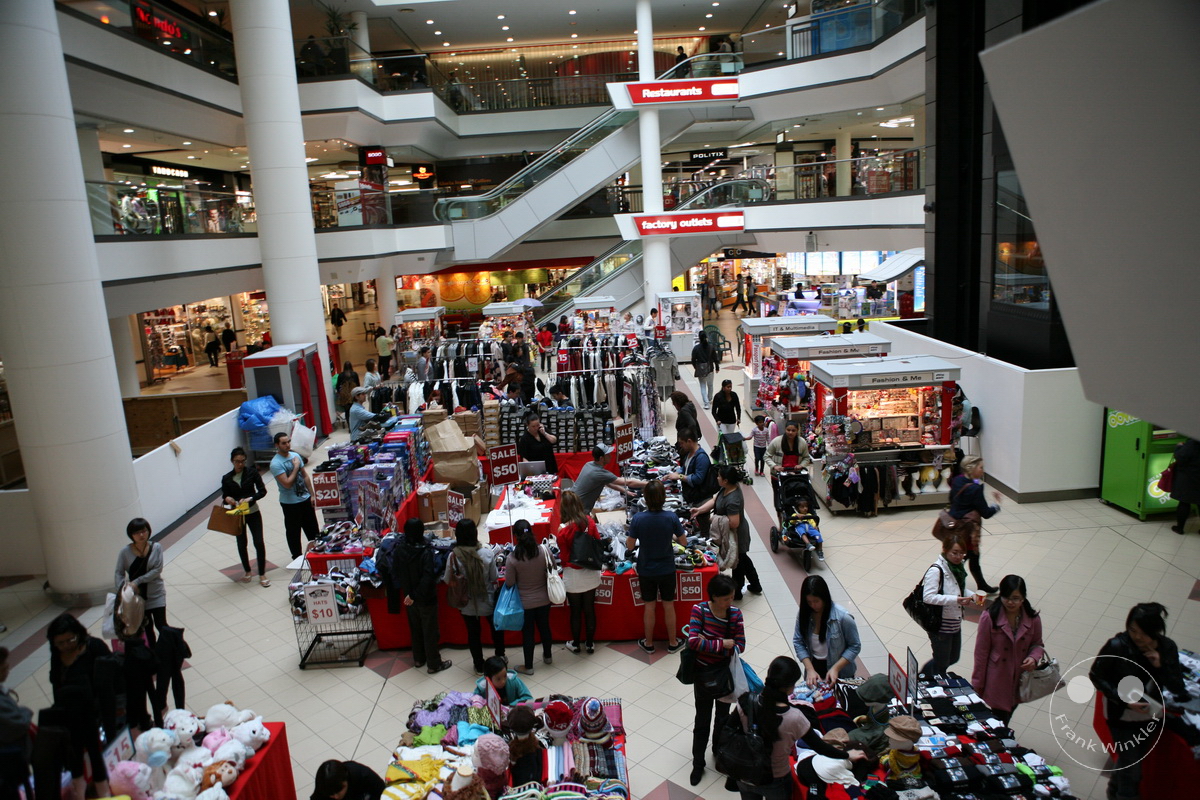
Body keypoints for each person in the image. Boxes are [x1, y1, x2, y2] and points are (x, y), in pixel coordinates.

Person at [1090, 603, 1188, 800]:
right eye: (1133, 630)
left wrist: (1160, 665)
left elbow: (1177, 687)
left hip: (1150, 714)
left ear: (1155, 631)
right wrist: (1123, 700)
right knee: (1133, 771)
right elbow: (1096, 675)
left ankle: (1113, 790)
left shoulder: (1167, 648)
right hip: (1121, 716)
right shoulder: (1117, 646)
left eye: (1143, 633)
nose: (1137, 637)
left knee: (1130, 761)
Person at [735, 655, 865, 800]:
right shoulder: (794, 717)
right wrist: (847, 755)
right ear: (790, 687)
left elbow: (730, 730)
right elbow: (820, 747)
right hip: (775, 778)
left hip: (745, 773)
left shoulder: (745, 701)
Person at [686, 573, 744, 786]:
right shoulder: (699, 610)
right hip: (703, 675)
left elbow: (740, 645)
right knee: (702, 720)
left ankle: (718, 751)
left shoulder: (735, 615)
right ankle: (698, 762)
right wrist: (722, 644)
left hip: (724, 676)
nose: (731, 602)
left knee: (722, 718)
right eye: (726, 598)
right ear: (714, 597)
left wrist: (708, 642)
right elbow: (692, 642)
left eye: (732, 597)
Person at [46, 613, 112, 800]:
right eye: (60, 642)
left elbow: (110, 679)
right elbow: (56, 685)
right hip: (68, 714)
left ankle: (103, 792)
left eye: (70, 640)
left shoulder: (94, 647)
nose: (66, 645)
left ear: (79, 634)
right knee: (73, 756)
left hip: (92, 712)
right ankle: (79, 793)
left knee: (95, 754)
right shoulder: (56, 655)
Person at [971, 575, 1044, 725]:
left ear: (1023, 598)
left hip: (1019, 679)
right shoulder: (990, 617)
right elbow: (981, 653)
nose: (1010, 602)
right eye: (1006, 597)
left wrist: (1034, 657)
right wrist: (977, 684)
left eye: (1015, 598)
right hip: (997, 677)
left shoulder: (1032, 618)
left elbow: (1037, 644)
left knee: (1008, 712)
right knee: (1000, 716)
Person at [625, 479, 687, 654]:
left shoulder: (638, 518)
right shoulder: (671, 517)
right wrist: (670, 536)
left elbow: (630, 546)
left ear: (645, 497)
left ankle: (649, 643)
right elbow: (683, 541)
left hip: (646, 569)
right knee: (669, 605)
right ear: (664, 497)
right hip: (667, 567)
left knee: (649, 606)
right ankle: (673, 642)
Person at [444, 519, 505, 675]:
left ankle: (478, 665)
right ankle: (500, 656)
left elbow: (447, 579)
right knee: (496, 630)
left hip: (466, 604)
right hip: (488, 600)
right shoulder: (486, 553)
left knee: (473, 634)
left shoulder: (453, 556)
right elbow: (494, 576)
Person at [692, 465, 761, 601]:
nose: (717, 478)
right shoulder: (726, 488)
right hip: (731, 534)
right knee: (742, 559)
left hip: (737, 535)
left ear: (725, 480)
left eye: (719, 476)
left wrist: (715, 519)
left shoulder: (733, 499)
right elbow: (714, 500)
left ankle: (737, 592)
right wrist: (699, 510)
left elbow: (734, 522)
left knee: (738, 562)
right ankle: (755, 585)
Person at [396, 517, 452, 674]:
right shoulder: (425, 551)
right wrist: (415, 594)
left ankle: (419, 658)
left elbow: (398, 572)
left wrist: (409, 594)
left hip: (409, 598)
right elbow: (428, 576)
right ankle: (434, 664)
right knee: (430, 631)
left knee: (415, 629)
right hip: (425, 597)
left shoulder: (400, 549)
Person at [792, 575, 862, 686]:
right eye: (809, 602)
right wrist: (810, 669)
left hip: (841, 671)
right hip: (814, 667)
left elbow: (855, 646)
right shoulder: (804, 614)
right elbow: (798, 641)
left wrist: (836, 668)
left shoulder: (842, 618)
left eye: (816, 601)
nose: (813, 605)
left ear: (824, 597)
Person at [556, 490, 603, 654]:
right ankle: (590, 643)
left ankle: (575, 643)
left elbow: (563, 557)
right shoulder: (589, 522)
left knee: (575, 611)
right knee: (590, 609)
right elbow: (597, 542)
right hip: (590, 572)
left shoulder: (562, 530)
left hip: (573, 576)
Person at [947, 455, 1002, 593]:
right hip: (968, 530)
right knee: (965, 557)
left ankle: (981, 585)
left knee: (967, 556)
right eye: (981, 467)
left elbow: (951, 499)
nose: (983, 470)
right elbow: (986, 513)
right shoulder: (975, 489)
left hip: (954, 525)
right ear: (971, 468)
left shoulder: (957, 480)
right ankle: (952, 585)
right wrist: (996, 504)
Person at [920, 533, 973, 676]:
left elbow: (958, 590)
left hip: (954, 621)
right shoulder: (936, 570)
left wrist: (971, 595)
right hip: (940, 625)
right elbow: (928, 597)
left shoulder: (958, 568)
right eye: (955, 552)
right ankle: (931, 682)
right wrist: (955, 599)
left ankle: (925, 674)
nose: (959, 556)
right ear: (945, 550)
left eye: (962, 553)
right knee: (942, 663)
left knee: (953, 657)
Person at [505, 521, 553, 675]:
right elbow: (552, 568)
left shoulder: (512, 558)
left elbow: (509, 582)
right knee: (545, 627)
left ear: (516, 536)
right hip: (545, 599)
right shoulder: (544, 551)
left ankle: (529, 666)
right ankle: (548, 656)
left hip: (524, 603)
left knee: (528, 634)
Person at [221, 446, 270, 587]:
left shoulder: (252, 473)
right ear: (232, 461)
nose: (240, 464)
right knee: (242, 544)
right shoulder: (227, 478)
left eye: (242, 461)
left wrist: (251, 498)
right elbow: (224, 496)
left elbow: (262, 491)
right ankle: (247, 571)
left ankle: (262, 573)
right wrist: (228, 499)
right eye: (237, 461)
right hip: (237, 515)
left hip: (253, 512)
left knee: (259, 542)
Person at [114, 517, 167, 645]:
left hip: (156, 593)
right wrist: (123, 589)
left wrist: (135, 582)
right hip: (137, 598)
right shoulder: (125, 552)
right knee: (147, 628)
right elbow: (118, 572)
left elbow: (157, 570)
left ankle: (168, 650)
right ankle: (153, 654)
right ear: (131, 535)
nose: (141, 535)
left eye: (144, 531)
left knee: (162, 625)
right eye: (137, 533)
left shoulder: (156, 547)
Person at [270, 431, 319, 558]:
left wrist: (312, 495)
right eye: (284, 443)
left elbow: (305, 477)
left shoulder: (295, 455)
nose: (287, 445)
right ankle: (296, 557)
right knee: (293, 532)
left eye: (288, 442)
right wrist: (296, 467)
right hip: (290, 503)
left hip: (305, 499)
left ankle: (317, 553)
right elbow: (287, 483)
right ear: (277, 445)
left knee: (313, 529)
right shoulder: (276, 464)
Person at [567, 445, 644, 513]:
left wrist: (625, 491)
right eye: (608, 455)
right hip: (578, 509)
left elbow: (607, 483)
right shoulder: (599, 472)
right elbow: (628, 482)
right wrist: (648, 483)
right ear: (601, 458)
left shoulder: (589, 464)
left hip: (572, 503)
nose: (610, 456)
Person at [0, 646, 33, 800]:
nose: (8, 671)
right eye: (5, 668)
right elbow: (18, 724)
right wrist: (26, 712)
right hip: (8, 766)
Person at [765, 420, 813, 510]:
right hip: (778, 476)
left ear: (797, 431)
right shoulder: (776, 442)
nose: (790, 432)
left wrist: (801, 465)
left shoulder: (802, 442)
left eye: (793, 430)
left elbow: (806, 458)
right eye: (788, 430)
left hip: (796, 476)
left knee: (796, 499)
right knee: (779, 502)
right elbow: (767, 456)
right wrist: (775, 466)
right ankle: (780, 520)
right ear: (785, 429)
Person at [667, 430, 714, 512]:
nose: (681, 446)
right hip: (692, 497)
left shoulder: (701, 458)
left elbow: (698, 479)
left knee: (702, 523)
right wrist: (676, 473)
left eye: (682, 443)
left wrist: (679, 476)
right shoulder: (689, 454)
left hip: (700, 501)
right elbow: (685, 468)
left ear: (689, 441)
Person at [311, 759, 385, 800]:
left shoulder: (363, 775)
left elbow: (385, 793)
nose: (336, 797)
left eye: (338, 792)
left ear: (346, 780)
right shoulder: (324, 786)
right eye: (331, 795)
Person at [1170, 437, 1200, 534]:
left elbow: (1180, 457)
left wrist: (1178, 447)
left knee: (1184, 502)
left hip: (1189, 476)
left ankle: (1180, 528)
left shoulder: (1193, 443)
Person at [692, 331, 720, 409]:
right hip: (710, 368)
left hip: (701, 370)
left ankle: (706, 403)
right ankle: (709, 398)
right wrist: (717, 367)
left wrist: (696, 367)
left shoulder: (696, 348)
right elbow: (715, 358)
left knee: (703, 386)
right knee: (710, 385)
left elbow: (693, 359)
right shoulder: (711, 347)